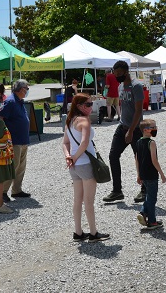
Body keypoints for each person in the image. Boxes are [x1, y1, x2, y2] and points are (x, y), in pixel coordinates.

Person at [62, 92, 110, 242]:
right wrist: (74, 157)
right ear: (79, 106)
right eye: (88, 104)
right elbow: (84, 143)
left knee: (77, 200)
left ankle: (78, 232)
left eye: (91, 104)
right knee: (89, 201)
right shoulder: (84, 121)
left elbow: (65, 142)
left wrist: (68, 157)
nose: (91, 107)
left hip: (74, 166)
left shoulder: (70, 121)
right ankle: (94, 233)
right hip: (85, 163)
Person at [104, 60, 146, 203]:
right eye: (115, 74)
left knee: (140, 158)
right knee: (113, 156)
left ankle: (145, 190)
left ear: (126, 72)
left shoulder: (136, 86)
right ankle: (117, 191)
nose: (117, 77)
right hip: (122, 127)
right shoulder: (121, 86)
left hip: (136, 129)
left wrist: (131, 130)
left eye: (120, 74)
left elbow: (139, 111)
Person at [0, 79, 32, 200]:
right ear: (20, 89)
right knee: (13, 167)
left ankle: (17, 190)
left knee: (21, 167)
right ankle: (2, 192)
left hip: (23, 140)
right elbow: (0, 117)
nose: (27, 91)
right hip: (14, 140)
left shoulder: (19, 101)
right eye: (26, 88)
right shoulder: (10, 102)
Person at [135, 119, 166, 230]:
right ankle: (152, 221)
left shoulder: (138, 142)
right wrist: (161, 173)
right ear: (146, 130)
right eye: (153, 127)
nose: (155, 129)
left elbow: (137, 159)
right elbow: (154, 160)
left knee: (148, 195)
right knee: (152, 198)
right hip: (151, 174)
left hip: (143, 174)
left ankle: (143, 213)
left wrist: (138, 174)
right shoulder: (151, 143)